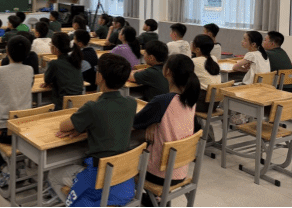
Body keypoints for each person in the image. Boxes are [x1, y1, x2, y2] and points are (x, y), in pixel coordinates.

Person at [47, 54, 137, 207]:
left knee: (53, 174)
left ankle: (71, 200)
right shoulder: (131, 103)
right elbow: (110, 123)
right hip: (124, 179)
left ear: (100, 76)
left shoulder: (92, 107)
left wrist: (81, 128)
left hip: (98, 179)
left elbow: (63, 127)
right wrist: (87, 130)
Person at [133, 54, 200, 202]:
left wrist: (152, 121)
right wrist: (155, 122)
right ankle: (153, 200)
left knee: (124, 160)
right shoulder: (191, 101)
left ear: (167, 72)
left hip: (157, 174)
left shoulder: (163, 101)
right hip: (180, 171)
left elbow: (135, 122)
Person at [0, 35, 35, 188]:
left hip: (4, 129)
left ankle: (4, 168)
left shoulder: (0, 71)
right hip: (24, 126)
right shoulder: (30, 70)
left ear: (7, 51)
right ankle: (19, 166)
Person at [43, 33, 84, 110]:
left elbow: (47, 80)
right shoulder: (75, 61)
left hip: (62, 106)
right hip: (78, 104)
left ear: (55, 48)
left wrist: (50, 83)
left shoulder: (54, 64)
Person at [190, 35, 221, 113]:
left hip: (202, 103)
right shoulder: (214, 59)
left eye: (193, 43)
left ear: (197, 49)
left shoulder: (194, 61)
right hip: (215, 103)